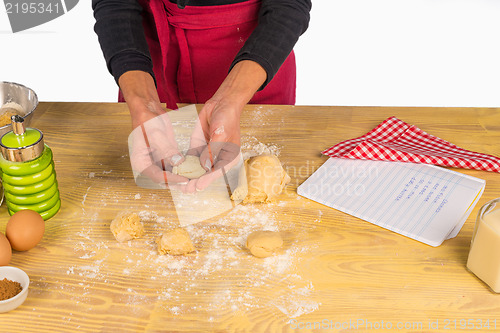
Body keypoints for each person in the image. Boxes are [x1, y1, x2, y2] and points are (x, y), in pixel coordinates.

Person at [92, 0, 311, 191]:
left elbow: (289, 4)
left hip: (256, 59)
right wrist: (143, 101)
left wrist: (231, 99)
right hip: (145, 60)